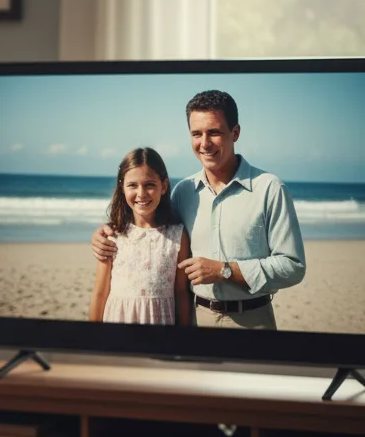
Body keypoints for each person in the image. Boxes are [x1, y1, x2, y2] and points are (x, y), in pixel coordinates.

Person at [90, 90, 306, 330]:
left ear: (235, 133)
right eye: (196, 134)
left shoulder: (269, 189)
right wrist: (104, 233)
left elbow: (293, 267)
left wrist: (224, 270)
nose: (204, 143)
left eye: (214, 132)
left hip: (253, 320)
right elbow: (153, 228)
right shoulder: (183, 192)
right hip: (197, 320)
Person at [89, 148, 192, 326]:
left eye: (149, 184)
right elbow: (100, 293)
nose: (141, 193)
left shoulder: (177, 235)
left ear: (164, 186)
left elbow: (181, 293)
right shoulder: (112, 235)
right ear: (122, 188)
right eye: (132, 185)